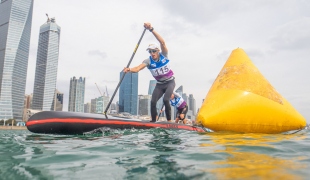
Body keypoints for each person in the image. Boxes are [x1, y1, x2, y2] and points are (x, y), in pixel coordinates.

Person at [123, 22, 175, 122]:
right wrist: (129, 69)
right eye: (150, 51)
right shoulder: (148, 61)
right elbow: (138, 68)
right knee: (153, 102)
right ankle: (153, 121)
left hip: (170, 82)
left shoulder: (164, 55)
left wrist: (151, 29)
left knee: (165, 99)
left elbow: (162, 42)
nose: (152, 53)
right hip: (159, 85)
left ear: (158, 51)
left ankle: (169, 122)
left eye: (153, 51)